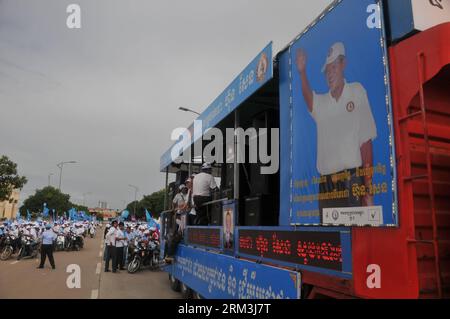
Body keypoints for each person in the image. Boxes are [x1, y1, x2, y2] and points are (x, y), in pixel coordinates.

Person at [296, 42, 377, 211]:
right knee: (331, 233)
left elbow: (366, 142)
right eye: (327, 71)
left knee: (355, 233)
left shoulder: (356, 91)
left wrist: (367, 188)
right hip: (326, 186)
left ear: (343, 64)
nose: (330, 74)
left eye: (333, 68)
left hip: (352, 179)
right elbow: (308, 98)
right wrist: (302, 72)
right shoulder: (322, 103)